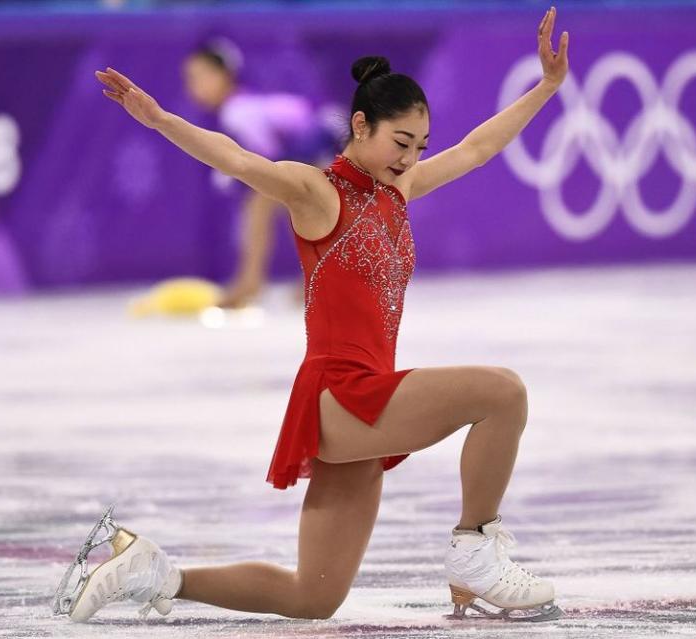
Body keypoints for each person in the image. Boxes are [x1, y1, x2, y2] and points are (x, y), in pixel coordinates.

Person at [77, 5, 569, 623]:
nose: (410, 157)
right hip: (343, 394)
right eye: (399, 142)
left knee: (314, 596)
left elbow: (476, 149)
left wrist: (546, 86)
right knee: (502, 393)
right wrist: (159, 119)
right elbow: (239, 160)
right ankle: (474, 549)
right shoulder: (319, 193)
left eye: (419, 146)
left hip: (365, 407)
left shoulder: (399, 188)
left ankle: (152, 572)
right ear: (360, 126)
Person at [183, 37, 341, 308]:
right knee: (269, 204)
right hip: (322, 144)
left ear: (224, 76)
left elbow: (266, 163)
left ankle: (255, 281)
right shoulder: (240, 107)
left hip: (331, 143)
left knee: (267, 204)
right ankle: (274, 280)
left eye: (200, 76)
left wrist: (230, 175)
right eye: (189, 78)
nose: (193, 87)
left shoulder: (237, 112)